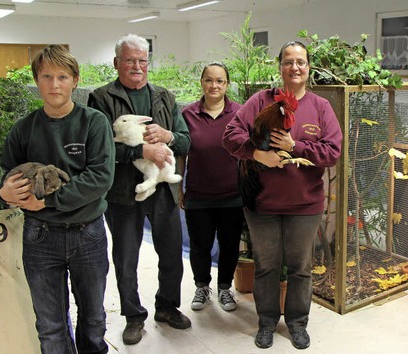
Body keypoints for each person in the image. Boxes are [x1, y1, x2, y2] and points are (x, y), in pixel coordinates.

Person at [222, 41, 342, 350]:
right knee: (266, 266)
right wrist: (257, 155)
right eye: (288, 61)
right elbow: (230, 136)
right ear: (280, 67)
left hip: (305, 203)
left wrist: (295, 146)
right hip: (263, 202)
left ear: (308, 67)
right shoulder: (260, 100)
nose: (295, 67)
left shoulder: (320, 107)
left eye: (300, 61)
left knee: (301, 267)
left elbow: (332, 152)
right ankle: (266, 322)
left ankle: (298, 324)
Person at [0, 45, 115, 353]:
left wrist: (49, 201)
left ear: (75, 81)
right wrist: (4, 191)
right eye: (46, 76)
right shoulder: (24, 128)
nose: (54, 84)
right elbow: (7, 173)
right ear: (37, 80)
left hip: (87, 233)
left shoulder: (94, 122)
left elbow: (100, 178)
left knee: (93, 320)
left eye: (62, 76)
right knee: (50, 327)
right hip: (40, 238)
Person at [87, 33, 191, 345]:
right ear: (117, 62)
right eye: (130, 60)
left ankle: (167, 306)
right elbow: (99, 149)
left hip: (163, 191)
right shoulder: (101, 98)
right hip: (122, 194)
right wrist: (141, 152)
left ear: (149, 62)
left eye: (142, 60)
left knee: (171, 253)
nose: (137, 66)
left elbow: (186, 140)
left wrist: (169, 136)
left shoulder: (164, 97)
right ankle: (133, 316)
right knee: (126, 257)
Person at [178, 62, 244, 312]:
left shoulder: (240, 113)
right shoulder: (187, 114)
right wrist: (180, 188)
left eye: (219, 81)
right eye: (209, 80)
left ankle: (225, 288)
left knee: (229, 244)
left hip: (232, 195)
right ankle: (202, 286)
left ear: (227, 84)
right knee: (200, 245)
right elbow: (181, 154)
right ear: (201, 82)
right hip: (198, 194)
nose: (214, 85)